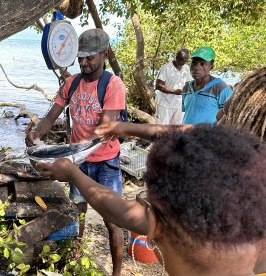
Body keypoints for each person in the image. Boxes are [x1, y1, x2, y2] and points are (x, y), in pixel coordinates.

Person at [38, 67, 266, 275]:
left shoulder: (218, 195)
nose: (218, 116)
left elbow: (127, 213)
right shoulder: (254, 177)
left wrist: (71, 172)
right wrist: (127, 127)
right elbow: (190, 131)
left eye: (226, 114)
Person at [25, 28, 126, 276]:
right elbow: (51, 115)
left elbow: (105, 129)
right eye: (80, 57)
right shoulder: (72, 83)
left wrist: (69, 157)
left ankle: (116, 273)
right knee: (76, 214)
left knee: (112, 221)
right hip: (78, 163)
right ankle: (76, 258)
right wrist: (36, 135)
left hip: (105, 163)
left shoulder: (113, 86)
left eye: (89, 57)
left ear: (104, 54)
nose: (83, 62)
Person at [182, 46, 233, 124]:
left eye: (202, 64)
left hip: (209, 135)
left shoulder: (221, 88)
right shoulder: (187, 87)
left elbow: (229, 116)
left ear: (211, 66)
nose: (196, 67)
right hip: (185, 134)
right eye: (194, 63)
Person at [154, 49, 192, 125]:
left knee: (177, 130)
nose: (182, 63)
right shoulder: (166, 68)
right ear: (176, 57)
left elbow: (188, 83)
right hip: (165, 104)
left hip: (179, 105)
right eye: (181, 60)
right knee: (161, 129)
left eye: (185, 61)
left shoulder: (186, 68)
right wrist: (174, 91)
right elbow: (158, 85)